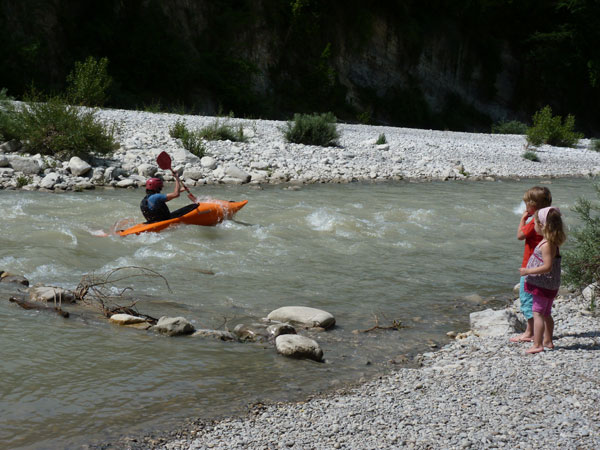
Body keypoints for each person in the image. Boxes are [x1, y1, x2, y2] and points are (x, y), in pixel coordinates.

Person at [519, 207, 566, 354]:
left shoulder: (546, 245)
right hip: (550, 284)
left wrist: (528, 271)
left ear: (543, 226)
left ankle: (538, 344)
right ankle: (548, 341)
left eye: (536, 223)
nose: (534, 225)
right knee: (546, 313)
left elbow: (547, 267)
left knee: (538, 313)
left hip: (543, 284)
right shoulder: (552, 242)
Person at [510, 186, 552, 343]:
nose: (525, 206)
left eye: (526, 203)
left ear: (533, 206)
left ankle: (530, 332)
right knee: (540, 301)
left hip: (530, 266)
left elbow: (520, 235)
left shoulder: (535, 220)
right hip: (544, 265)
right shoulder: (549, 219)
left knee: (526, 297)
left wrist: (523, 219)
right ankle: (545, 335)